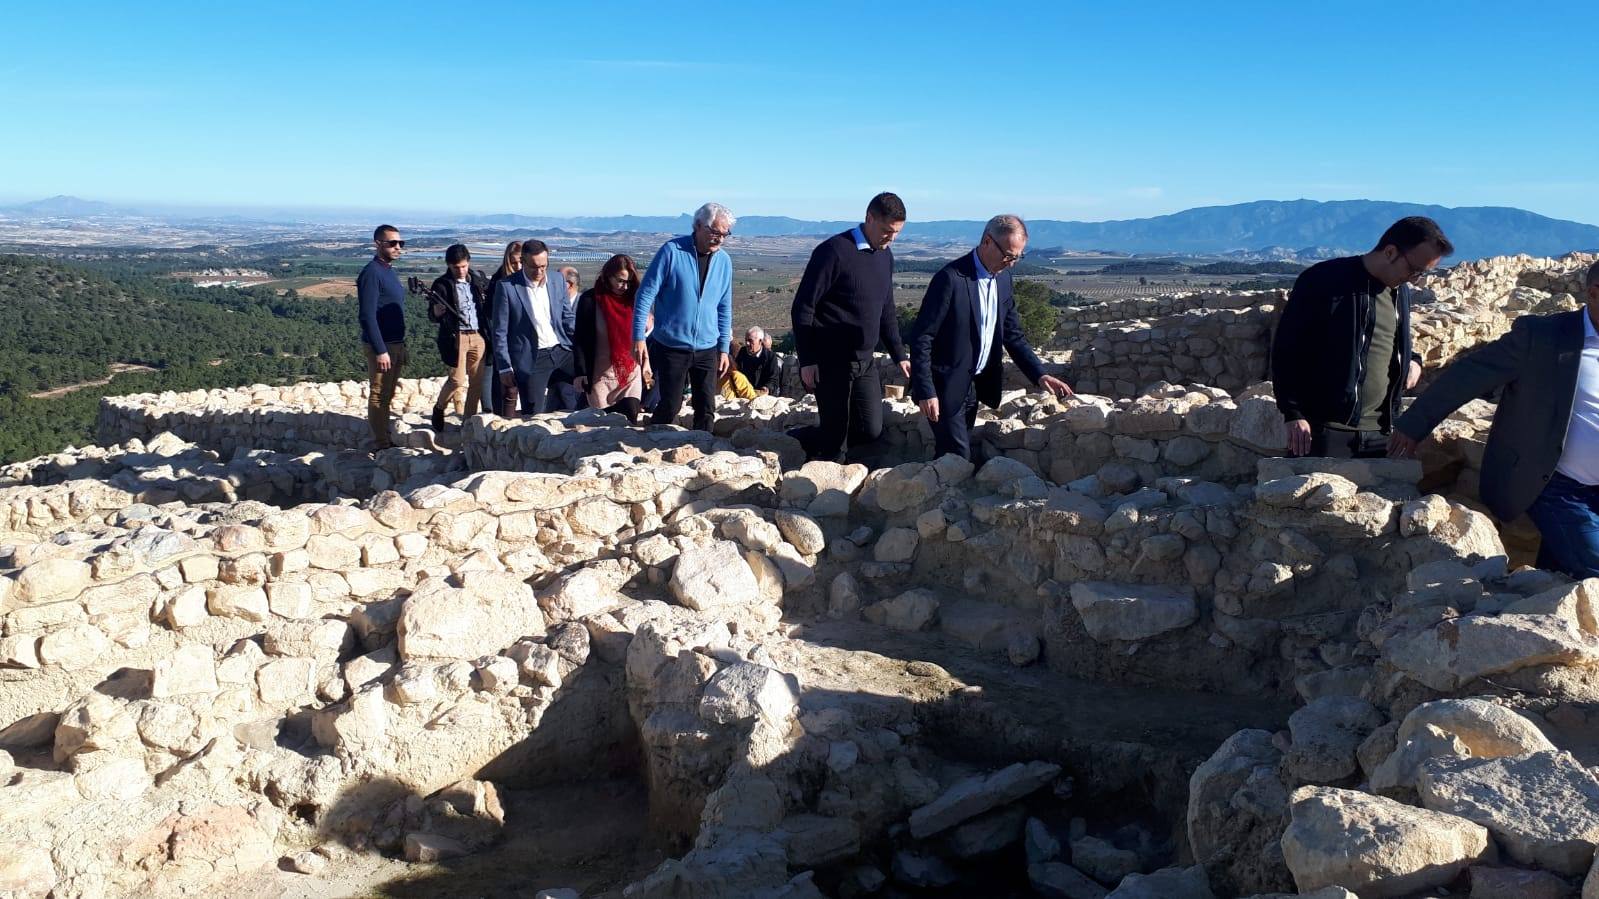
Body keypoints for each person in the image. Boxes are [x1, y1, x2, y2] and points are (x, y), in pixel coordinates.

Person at [1390, 261, 1599, 579]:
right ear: (1595, 294)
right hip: (1556, 485)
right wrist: (1413, 425)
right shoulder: (1543, 337)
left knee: (1558, 575)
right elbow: (1467, 376)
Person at [1271, 216, 1453, 458]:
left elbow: (1392, 338)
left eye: (1421, 273)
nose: (1415, 280)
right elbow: (1286, 349)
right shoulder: (1324, 281)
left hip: (1383, 432)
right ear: (1390, 252)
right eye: (1414, 270)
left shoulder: (1400, 292)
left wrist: (1414, 361)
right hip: (1328, 430)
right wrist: (1292, 413)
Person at [906, 214, 1073, 460]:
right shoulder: (950, 279)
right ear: (986, 241)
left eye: (1017, 257)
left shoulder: (1003, 279)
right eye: (1007, 255)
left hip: (975, 384)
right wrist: (925, 389)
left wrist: (1040, 373)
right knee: (957, 455)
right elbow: (922, 337)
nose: (1011, 263)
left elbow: (1013, 335)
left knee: (951, 456)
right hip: (944, 385)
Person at [789, 192, 912, 461]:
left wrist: (899, 354)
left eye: (897, 233)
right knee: (835, 440)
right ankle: (809, 455)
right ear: (869, 218)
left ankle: (816, 439)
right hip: (830, 360)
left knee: (870, 429)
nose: (891, 238)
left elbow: (886, 311)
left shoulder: (885, 256)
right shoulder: (833, 252)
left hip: (864, 361)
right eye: (886, 231)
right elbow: (803, 308)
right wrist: (807, 360)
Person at [632, 202, 735, 431]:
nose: (719, 238)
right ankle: (650, 443)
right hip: (672, 345)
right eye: (714, 232)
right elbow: (645, 294)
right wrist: (639, 337)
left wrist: (724, 348)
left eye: (724, 234)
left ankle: (702, 451)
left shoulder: (724, 262)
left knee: (707, 406)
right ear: (698, 225)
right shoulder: (672, 252)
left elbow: (724, 306)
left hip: (707, 347)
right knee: (670, 404)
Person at [492, 239, 577, 416]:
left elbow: (567, 317)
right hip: (532, 358)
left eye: (544, 266)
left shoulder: (557, 279)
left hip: (562, 350)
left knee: (588, 386)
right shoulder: (507, 287)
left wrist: (582, 344)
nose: (539, 271)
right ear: (522, 262)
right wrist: (505, 366)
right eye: (534, 267)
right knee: (533, 414)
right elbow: (500, 332)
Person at [572, 255, 651, 423]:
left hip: (630, 373)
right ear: (608, 276)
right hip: (600, 377)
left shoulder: (635, 300)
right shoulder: (590, 300)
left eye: (629, 282)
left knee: (630, 416)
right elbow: (580, 339)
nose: (625, 286)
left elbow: (641, 337)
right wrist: (581, 372)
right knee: (602, 424)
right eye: (620, 281)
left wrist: (646, 363)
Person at [426, 244, 491, 431]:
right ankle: (439, 408)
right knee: (457, 380)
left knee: (477, 381)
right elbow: (432, 314)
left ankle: (468, 422)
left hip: (478, 334)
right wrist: (437, 313)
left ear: (468, 262)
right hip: (457, 337)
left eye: (463, 266)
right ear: (449, 266)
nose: (461, 271)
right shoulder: (442, 284)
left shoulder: (477, 279)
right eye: (456, 267)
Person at [358, 224, 408, 451]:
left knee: (388, 393)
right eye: (392, 243)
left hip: (395, 343)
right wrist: (380, 350)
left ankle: (385, 436)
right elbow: (367, 315)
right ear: (378, 244)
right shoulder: (372, 273)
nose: (398, 247)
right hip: (383, 345)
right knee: (378, 394)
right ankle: (380, 444)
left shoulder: (388, 270)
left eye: (400, 243)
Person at [483, 240, 523, 416]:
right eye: (514, 262)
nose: (518, 266)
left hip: (522, 341)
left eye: (521, 261)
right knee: (505, 386)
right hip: (503, 341)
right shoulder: (500, 281)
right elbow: (489, 312)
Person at [549, 265, 587, 410]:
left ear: (568, 285)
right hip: (552, 365)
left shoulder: (586, 303)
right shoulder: (552, 304)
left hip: (575, 368)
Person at [734, 326, 780, 394]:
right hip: (745, 392)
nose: (747, 343)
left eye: (750, 341)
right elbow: (737, 371)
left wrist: (767, 388)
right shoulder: (742, 352)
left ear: (760, 341)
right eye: (746, 340)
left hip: (762, 395)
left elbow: (773, 379)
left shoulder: (770, 357)